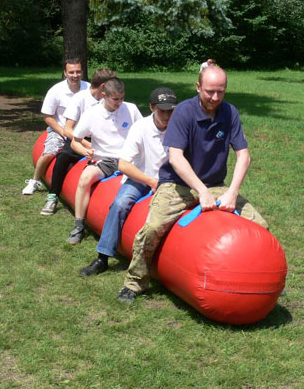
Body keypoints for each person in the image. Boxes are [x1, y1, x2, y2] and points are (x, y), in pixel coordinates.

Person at [117, 65, 269, 303]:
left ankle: (261, 281)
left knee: (261, 226)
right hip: (177, 183)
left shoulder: (230, 113)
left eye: (220, 91)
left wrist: (232, 192)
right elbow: (175, 157)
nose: (215, 97)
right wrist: (200, 190)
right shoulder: (183, 113)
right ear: (198, 87)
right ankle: (134, 282)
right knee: (154, 227)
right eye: (210, 91)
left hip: (215, 183)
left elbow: (244, 155)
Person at [79, 87, 178, 276]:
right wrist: (150, 181)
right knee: (119, 203)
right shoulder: (140, 128)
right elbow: (124, 164)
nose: (167, 115)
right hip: (141, 177)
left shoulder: (179, 127)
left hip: (170, 180)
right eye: (162, 110)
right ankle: (103, 257)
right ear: (152, 108)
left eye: (171, 110)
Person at [68, 77, 142, 245]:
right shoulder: (91, 114)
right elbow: (75, 140)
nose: (119, 103)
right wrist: (85, 151)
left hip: (129, 158)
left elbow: (143, 130)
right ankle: (79, 225)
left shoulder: (131, 109)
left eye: (122, 98)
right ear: (104, 95)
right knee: (85, 178)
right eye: (115, 99)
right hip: (105, 159)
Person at [39, 68, 116, 215]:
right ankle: (53, 196)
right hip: (80, 138)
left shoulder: (110, 100)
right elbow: (68, 129)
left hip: (102, 139)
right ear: (103, 86)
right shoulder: (81, 98)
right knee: (64, 156)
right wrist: (87, 145)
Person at [22, 59, 88, 195]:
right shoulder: (56, 90)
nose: (75, 75)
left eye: (78, 72)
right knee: (49, 153)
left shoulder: (89, 88)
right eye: (71, 72)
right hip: (60, 130)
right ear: (65, 73)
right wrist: (62, 132)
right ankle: (34, 180)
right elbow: (47, 116)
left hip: (83, 132)